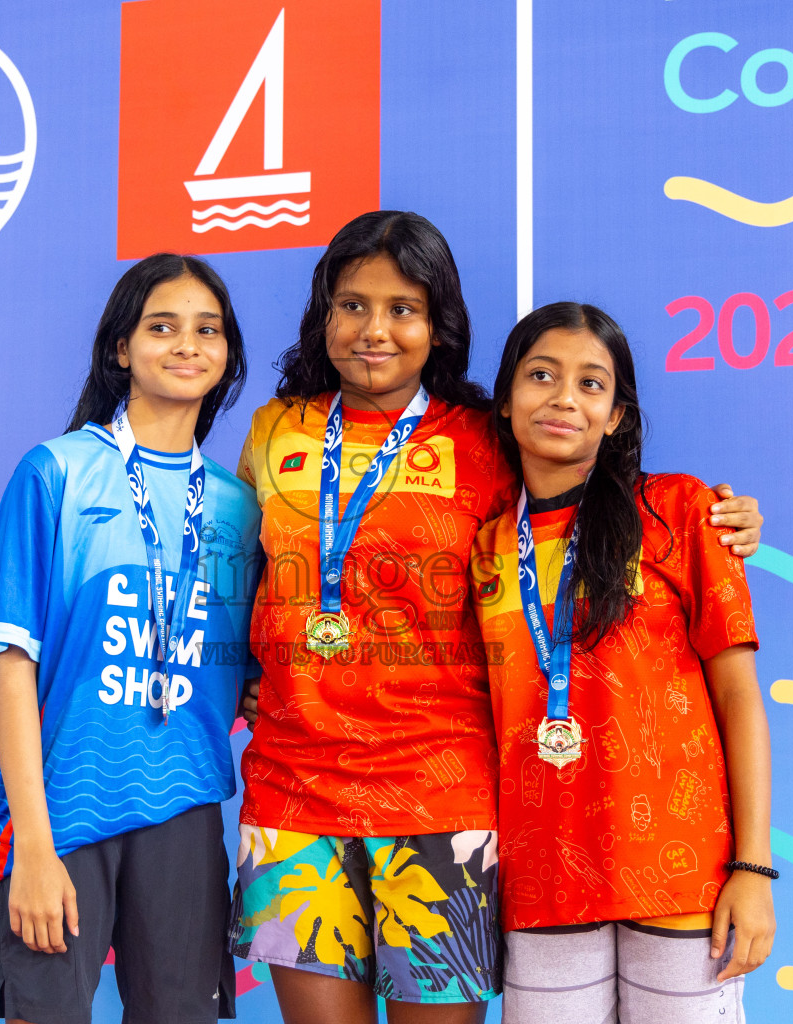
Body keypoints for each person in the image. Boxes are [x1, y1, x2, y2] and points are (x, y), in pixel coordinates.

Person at [229, 211, 764, 1024]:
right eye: (352, 305)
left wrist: (726, 519)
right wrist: (242, 677)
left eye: (403, 308)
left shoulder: (487, 434)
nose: (376, 329)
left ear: (438, 324)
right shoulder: (272, 430)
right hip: (292, 792)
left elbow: (581, 491)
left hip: (443, 794)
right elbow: (245, 581)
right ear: (323, 314)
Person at [471, 302, 776, 1024]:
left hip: (681, 874)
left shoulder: (681, 511)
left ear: (616, 417)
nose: (563, 398)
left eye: (591, 384)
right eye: (541, 375)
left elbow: (738, 698)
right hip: (541, 876)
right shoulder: (483, 546)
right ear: (508, 395)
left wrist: (754, 868)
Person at [0, 254, 261, 1024]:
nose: (186, 345)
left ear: (227, 352)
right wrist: (32, 843)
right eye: (161, 326)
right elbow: (12, 667)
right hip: (65, 806)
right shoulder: (57, 474)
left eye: (208, 330)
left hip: (186, 805)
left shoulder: (241, 508)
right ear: (119, 349)